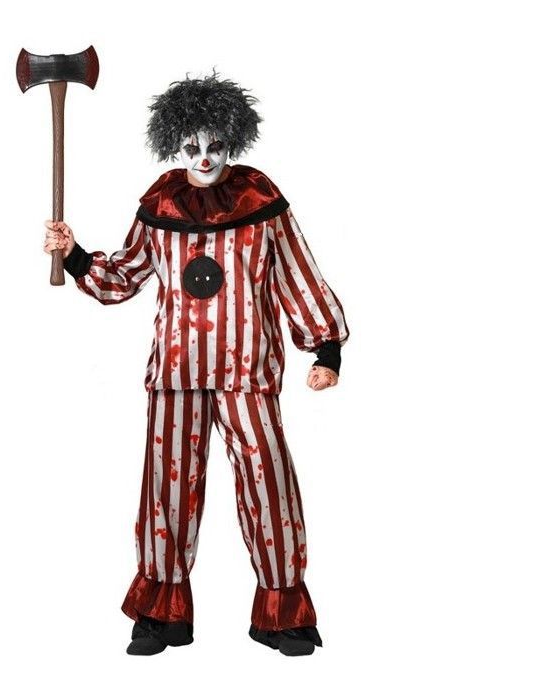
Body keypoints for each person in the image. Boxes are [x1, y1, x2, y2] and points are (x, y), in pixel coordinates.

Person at [43, 71, 349, 656]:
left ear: (234, 141)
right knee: (165, 488)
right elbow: (124, 276)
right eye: (191, 147)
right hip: (177, 372)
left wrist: (325, 347)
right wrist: (75, 255)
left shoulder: (261, 202)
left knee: (269, 479)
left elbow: (296, 273)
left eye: (216, 146)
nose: (204, 158)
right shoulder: (160, 204)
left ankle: (282, 613)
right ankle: (163, 613)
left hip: (247, 371)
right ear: (174, 144)